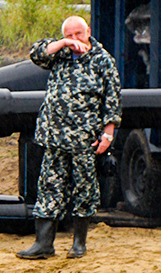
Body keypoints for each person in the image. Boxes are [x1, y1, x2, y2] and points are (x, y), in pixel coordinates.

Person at [18, 14, 122, 260]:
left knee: (84, 189)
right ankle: (43, 244)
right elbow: (37, 53)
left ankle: (79, 243)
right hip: (54, 137)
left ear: (88, 31)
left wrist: (108, 133)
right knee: (48, 187)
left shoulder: (103, 61)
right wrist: (63, 44)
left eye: (78, 34)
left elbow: (113, 100)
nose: (75, 39)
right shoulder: (59, 55)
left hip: (84, 138)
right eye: (69, 35)